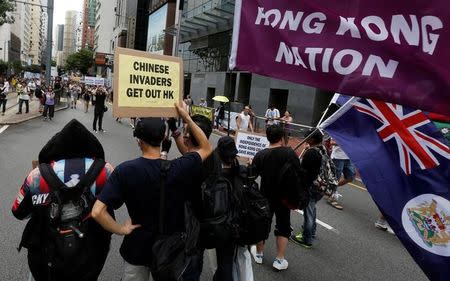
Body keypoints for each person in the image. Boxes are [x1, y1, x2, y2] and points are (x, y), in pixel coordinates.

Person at [91, 104, 213, 281]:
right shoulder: (180, 167)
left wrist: (121, 229)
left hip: (136, 248)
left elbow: (97, 212)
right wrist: (186, 117)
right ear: (164, 137)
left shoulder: (125, 170)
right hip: (170, 251)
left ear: (138, 140)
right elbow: (206, 147)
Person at [12, 119, 115, 281]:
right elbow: (116, 203)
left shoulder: (37, 175)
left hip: (45, 258)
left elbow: (18, 212)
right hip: (90, 256)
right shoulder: (106, 171)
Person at [251, 124, 299, 271]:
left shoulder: (260, 155)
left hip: (265, 197)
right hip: (284, 198)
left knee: (263, 223)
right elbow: (298, 174)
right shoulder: (290, 154)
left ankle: (259, 253)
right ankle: (279, 259)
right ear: (282, 138)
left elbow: (252, 175)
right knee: (283, 225)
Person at [290, 129, 324, 248]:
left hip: (310, 186)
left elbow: (303, 171)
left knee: (308, 213)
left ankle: (306, 239)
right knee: (312, 209)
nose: (305, 139)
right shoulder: (322, 150)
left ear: (312, 139)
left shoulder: (311, 153)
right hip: (320, 186)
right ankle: (312, 231)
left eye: (307, 137)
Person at [328, 139, 356, 210]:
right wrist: (346, 141)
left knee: (350, 177)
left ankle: (329, 188)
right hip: (338, 157)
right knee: (336, 178)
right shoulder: (338, 129)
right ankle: (332, 196)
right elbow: (332, 142)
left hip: (348, 157)